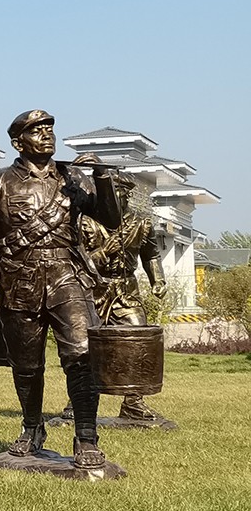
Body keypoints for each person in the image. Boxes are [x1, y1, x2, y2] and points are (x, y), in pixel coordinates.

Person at [0, 110, 118, 465]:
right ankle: (32, 428)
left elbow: (110, 219)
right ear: (19, 142)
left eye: (49, 128)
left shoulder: (74, 177)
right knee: (27, 365)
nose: (47, 134)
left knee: (82, 355)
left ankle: (86, 437)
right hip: (20, 281)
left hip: (68, 277)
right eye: (36, 130)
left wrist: (104, 176)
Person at [78, 169, 168, 424]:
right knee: (84, 347)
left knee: (138, 339)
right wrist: (103, 251)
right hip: (94, 288)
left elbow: (151, 255)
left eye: (121, 194)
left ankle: (133, 402)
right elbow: (78, 259)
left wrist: (157, 280)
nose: (116, 199)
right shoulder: (86, 222)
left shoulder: (141, 223)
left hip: (126, 290)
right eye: (110, 194)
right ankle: (78, 401)